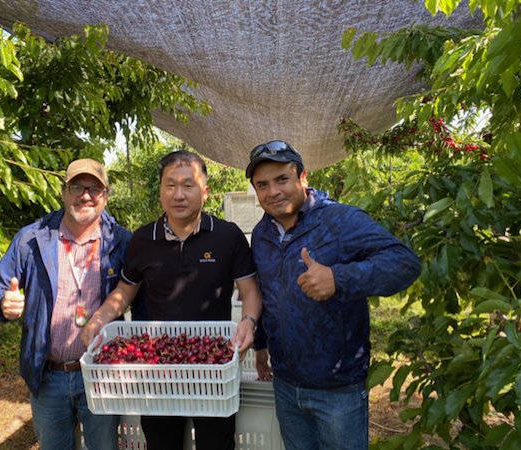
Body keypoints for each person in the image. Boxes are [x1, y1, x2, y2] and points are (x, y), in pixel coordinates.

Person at [81, 150, 263, 450]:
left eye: (188, 185)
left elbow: (250, 291)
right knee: (161, 442)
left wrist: (249, 321)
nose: (179, 194)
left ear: (205, 191)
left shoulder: (227, 237)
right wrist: (99, 319)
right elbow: (126, 291)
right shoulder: (142, 240)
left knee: (216, 444)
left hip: (213, 367)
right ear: (160, 190)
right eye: (170, 184)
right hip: (159, 369)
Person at [246, 141, 422, 450]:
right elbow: (267, 293)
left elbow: (404, 263)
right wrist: (260, 343)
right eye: (262, 184)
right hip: (286, 384)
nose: (272, 191)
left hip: (338, 388)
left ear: (303, 177)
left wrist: (338, 277)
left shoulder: (340, 221)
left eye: (282, 179)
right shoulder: (261, 234)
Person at [0, 158, 145, 450]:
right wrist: (2, 304)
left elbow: (139, 296)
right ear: (63, 192)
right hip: (48, 377)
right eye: (77, 187)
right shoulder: (32, 239)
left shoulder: (120, 242)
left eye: (95, 189)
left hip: (100, 374)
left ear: (106, 196)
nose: (86, 195)